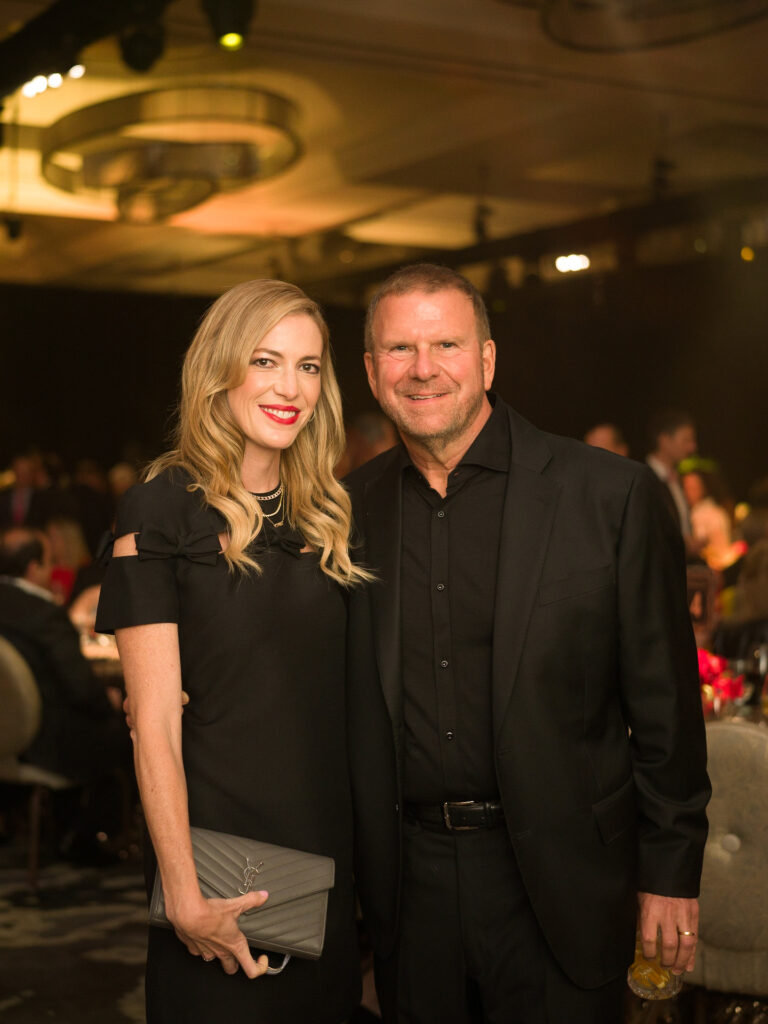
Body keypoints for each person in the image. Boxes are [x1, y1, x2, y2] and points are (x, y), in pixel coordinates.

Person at [344, 264, 710, 1024]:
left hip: (565, 879)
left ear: (487, 359)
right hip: (409, 890)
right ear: (372, 371)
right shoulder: (343, 513)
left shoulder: (609, 496)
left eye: (445, 343)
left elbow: (666, 708)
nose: (423, 368)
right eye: (400, 349)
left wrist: (670, 874)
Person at [95, 280, 370, 1024]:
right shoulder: (161, 508)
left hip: (326, 857)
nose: (290, 387)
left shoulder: (331, 514)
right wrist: (183, 892)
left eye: (309, 367)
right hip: (220, 867)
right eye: (267, 361)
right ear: (221, 370)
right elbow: (152, 722)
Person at [0, 527, 129, 856]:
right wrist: (110, 702)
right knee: (126, 724)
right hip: (46, 742)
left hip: (10, 732)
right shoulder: (44, 615)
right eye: (49, 563)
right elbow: (81, 689)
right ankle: (98, 838)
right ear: (33, 568)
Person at [645, 410, 701, 559]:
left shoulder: (677, 478)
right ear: (664, 440)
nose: (692, 447)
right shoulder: (644, 479)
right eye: (686, 440)